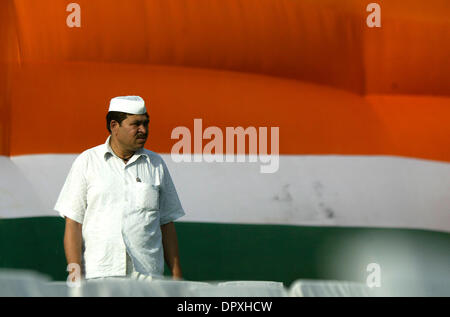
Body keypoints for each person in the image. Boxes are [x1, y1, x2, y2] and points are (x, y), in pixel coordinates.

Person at [54, 95, 185, 281]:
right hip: (99, 276)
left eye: (146, 123)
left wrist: (176, 274)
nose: (143, 130)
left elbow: (166, 223)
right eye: (136, 124)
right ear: (114, 126)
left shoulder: (156, 164)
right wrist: (75, 274)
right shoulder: (87, 162)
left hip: (148, 278)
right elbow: (73, 223)